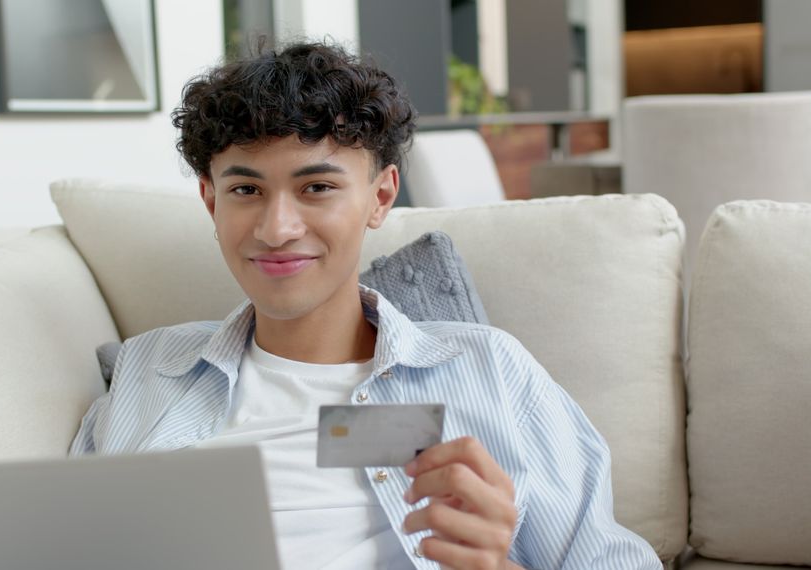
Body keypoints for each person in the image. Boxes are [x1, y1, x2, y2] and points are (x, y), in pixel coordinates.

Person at [71, 41, 661, 570]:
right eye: (246, 190)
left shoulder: (490, 373)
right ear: (211, 201)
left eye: (317, 188)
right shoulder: (150, 370)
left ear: (380, 197)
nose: (276, 229)